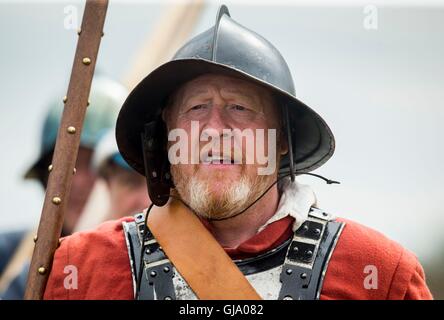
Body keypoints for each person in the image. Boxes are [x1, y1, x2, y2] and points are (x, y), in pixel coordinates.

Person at [43, 6, 432, 300]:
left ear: (282, 139)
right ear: (166, 137)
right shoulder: (82, 268)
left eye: (239, 108)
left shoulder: (381, 274)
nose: (213, 131)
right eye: (196, 109)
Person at [0, 76, 127, 299]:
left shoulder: (146, 265)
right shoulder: (9, 253)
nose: (76, 181)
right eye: (64, 164)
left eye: (91, 163)